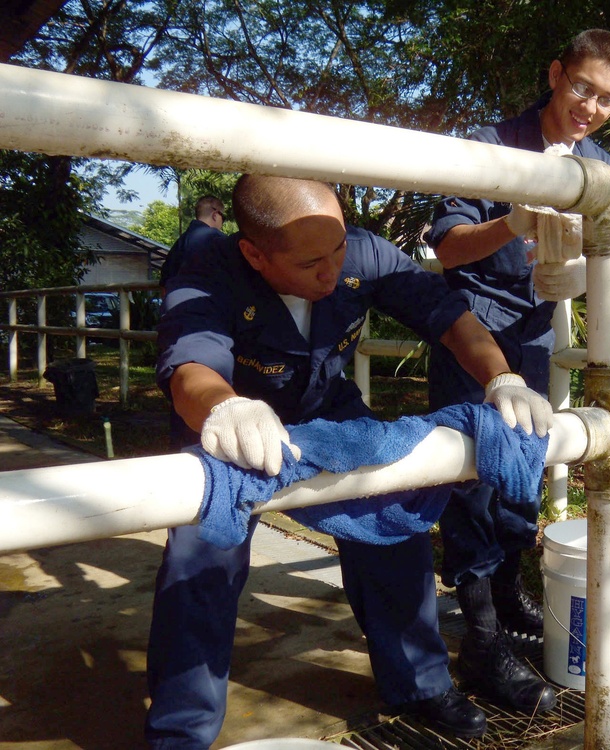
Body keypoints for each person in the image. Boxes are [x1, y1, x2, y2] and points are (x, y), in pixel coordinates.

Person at [145, 174, 555, 747]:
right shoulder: (205, 270)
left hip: (327, 409)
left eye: (337, 249)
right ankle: (180, 732)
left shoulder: (361, 250)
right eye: (311, 261)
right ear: (253, 253)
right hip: (227, 420)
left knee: (393, 525)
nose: (332, 270)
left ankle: (420, 682)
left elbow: (448, 314)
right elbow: (191, 367)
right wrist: (227, 409)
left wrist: (501, 375)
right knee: (203, 559)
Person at [423, 28, 610, 708]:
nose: (591, 108)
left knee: (526, 469)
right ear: (554, 74)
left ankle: (509, 599)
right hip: (473, 323)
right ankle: (480, 636)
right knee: (474, 475)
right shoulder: (489, 143)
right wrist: (514, 223)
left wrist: (573, 280)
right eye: (582, 88)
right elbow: (449, 251)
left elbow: (606, 261)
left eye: (607, 99)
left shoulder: (599, 163)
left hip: (537, 329)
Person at [159, 194, 227, 290]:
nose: (222, 223)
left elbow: (164, 283)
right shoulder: (219, 240)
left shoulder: (179, 243)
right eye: (223, 218)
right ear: (215, 215)